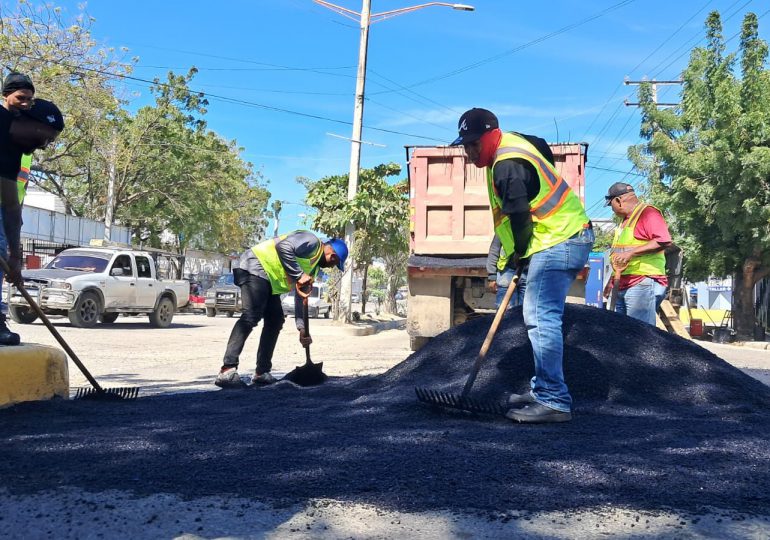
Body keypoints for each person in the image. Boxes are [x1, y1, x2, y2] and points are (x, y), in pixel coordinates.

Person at [452, 108, 594, 423]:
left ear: (492, 134)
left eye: (474, 143)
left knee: (540, 317)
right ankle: (543, 388)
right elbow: (541, 144)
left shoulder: (507, 166)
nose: (470, 152)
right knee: (537, 315)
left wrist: (519, 252)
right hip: (559, 236)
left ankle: (554, 400)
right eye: (465, 145)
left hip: (559, 238)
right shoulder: (515, 143)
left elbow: (518, 215)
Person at [215, 230, 348, 388]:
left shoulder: (313, 268)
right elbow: (283, 247)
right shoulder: (311, 241)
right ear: (332, 254)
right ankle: (227, 370)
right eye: (334, 262)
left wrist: (302, 328)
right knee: (251, 315)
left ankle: (261, 373)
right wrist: (299, 275)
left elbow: (301, 296)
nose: (332, 266)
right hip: (255, 266)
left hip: (268, 279)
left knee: (275, 320)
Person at [0, 74, 64, 346]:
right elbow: (9, 204)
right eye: (44, 136)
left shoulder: (15, 144)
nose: (44, 144)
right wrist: (13, 256)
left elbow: (11, 205)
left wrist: (15, 256)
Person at [603, 182, 671, 326]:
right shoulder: (625, 222)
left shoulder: (648, 213)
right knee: (621, 331)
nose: (612, 210)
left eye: (611, 205)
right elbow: (619, 255)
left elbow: (663, 240)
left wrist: (631, 253)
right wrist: (612, 280)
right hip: (622, 282)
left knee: (640, 333)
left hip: (641, 283)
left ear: (618, 201)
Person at [486, 233, 526, 308]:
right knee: (507, 310)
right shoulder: (504, 228)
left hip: (528, 271)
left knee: (526, 310)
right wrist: (492, 276)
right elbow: (494, 250)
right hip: (507, 271)